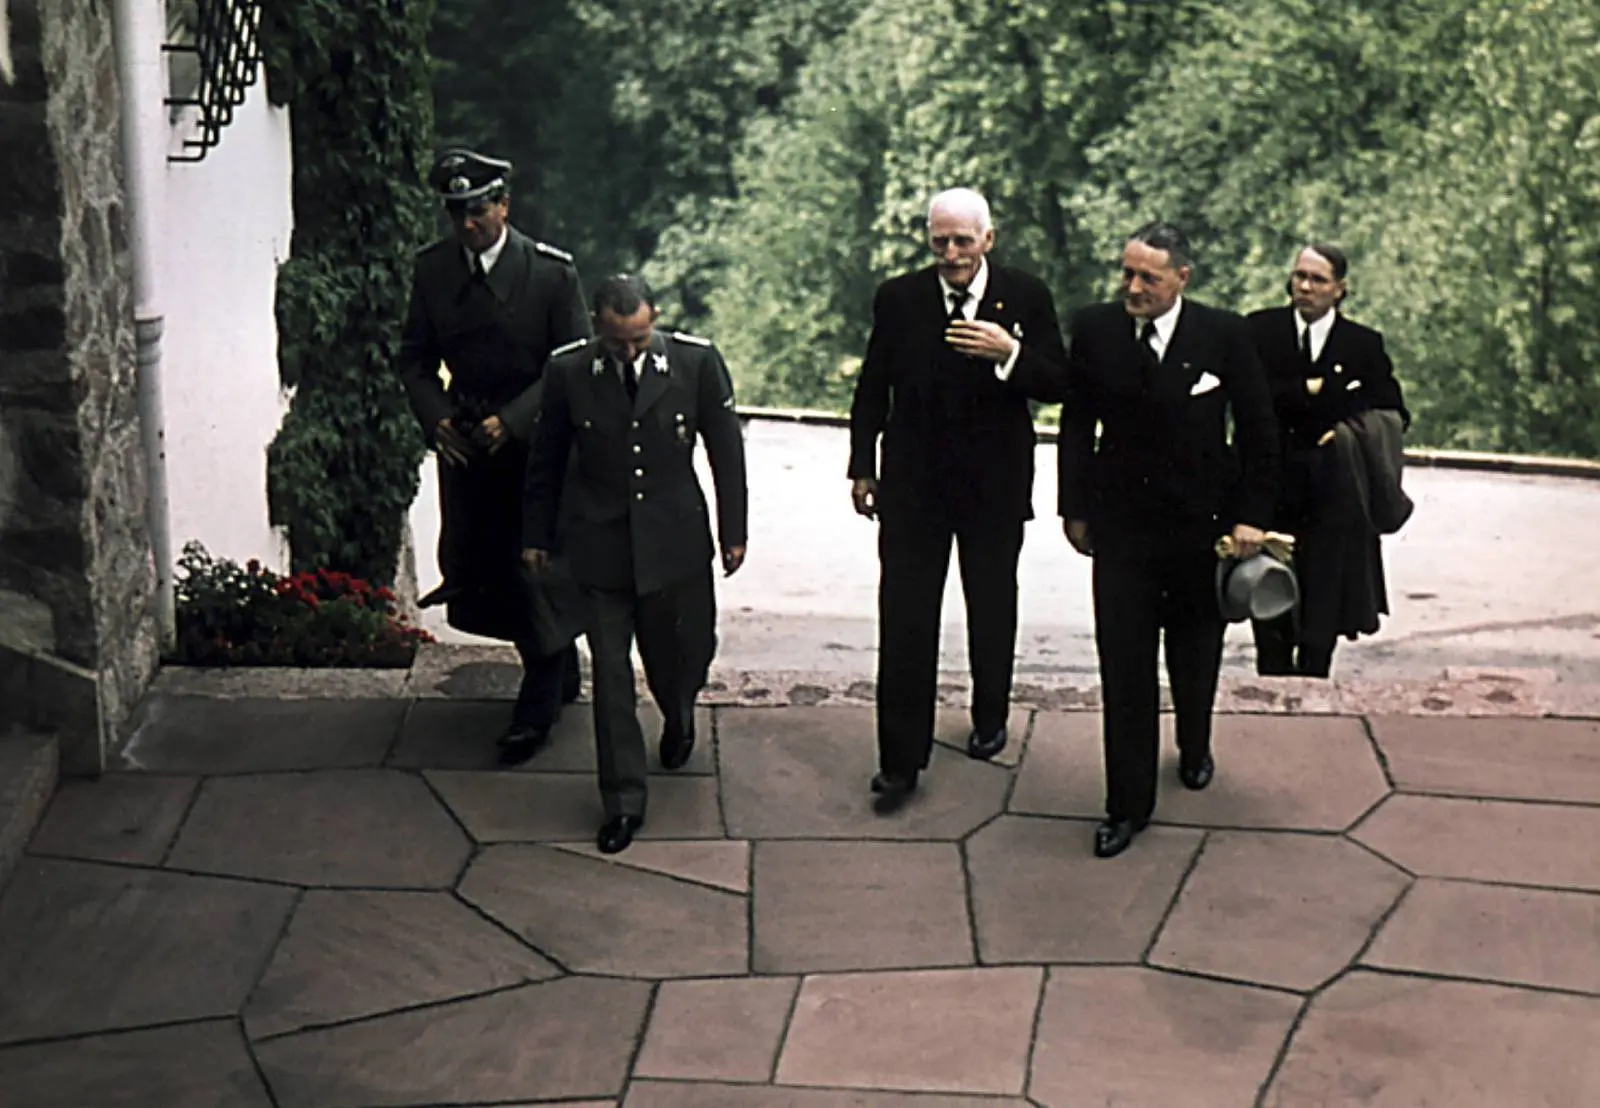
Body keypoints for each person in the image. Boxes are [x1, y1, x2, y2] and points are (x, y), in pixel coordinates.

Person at [1057, 222, 1279, 858]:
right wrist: (1074, 508)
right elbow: (1075, 425)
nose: (1132, 287)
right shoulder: (1096, 329)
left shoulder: (1224, 335)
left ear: (1182, 277)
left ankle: (1195, 741)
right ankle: (1126, 806)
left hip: (1201, 531)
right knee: (1123, 664)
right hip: (1121, 530)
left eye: (1147, 277)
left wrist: (1249, 519)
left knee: (1194, 652)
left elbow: (1259, 433)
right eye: (1127, 273)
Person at [847, 187, 1068, 812]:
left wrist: (1011, 354)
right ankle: (899, 761)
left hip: (993, 488)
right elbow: (873, 386)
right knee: (906, 618)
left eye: (963, 242)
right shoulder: (900, 298)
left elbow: (1060, 382)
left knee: (992, 604)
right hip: (914, 488)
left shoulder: (1025, 296)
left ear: (988, 241)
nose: (951, 254)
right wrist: (863, 465)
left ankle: (990, 713)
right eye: (940, 241)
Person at [522, 274, 748, 854]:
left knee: (684, 653)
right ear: (598, 325)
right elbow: (546, 459)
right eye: (619, 341)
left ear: (655, 321)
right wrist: (537, 535)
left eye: (641, 339)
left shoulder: (695, 363)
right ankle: (623, 801)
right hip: (599, 544)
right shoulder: (569, 372)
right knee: (613, 679)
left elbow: (726, 451)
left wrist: (733, 532)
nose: (630, 351)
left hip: (674, 543)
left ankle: (679, 713)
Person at [396, 148, 592, 766]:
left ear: (503, 206)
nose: (467, 225)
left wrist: (514, 420)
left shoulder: (551, 274)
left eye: (477, 211)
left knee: (537, 567)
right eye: (456, 214)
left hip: (536, 443)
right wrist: (438, 420)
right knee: (483, 568)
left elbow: (574, 363)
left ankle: (535, 706)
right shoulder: (432, 272)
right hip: (469, 444)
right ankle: (557, 665)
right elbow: (415, 360)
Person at [1247, 244, 1411, 677]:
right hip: (1272, 487)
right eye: (1300, 276)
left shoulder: (1362, 344)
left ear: (1340, 289)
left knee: (1323, 608)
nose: (1305, 287)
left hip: (1333, 493)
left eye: (1318, 280)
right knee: (1269, 601)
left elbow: (1393, 413)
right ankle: (1272, 693)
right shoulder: (1260, 331)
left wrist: (1344, 431)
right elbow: (1246, 401)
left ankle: (1316, 700)